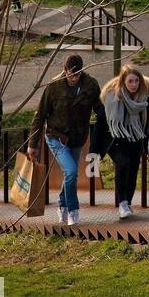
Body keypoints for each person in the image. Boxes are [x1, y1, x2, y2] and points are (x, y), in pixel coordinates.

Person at [27, 55, 102, 226]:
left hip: (77, 137)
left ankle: (62, 205)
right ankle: (73, 210)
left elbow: (100, 109)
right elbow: (40, 115)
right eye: (71, 74)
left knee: (71, 174)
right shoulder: (53, 87)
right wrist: (33, 144)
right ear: (65, 69)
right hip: (56, 136)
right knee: (71, 171)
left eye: (78, 74)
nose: (74, 78)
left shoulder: (91, 85)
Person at [91, 65, 149, 219]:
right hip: (115, 138)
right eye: (130, 81)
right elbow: (100, 123)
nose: (134, 85)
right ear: (123, 81)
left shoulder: (146, 97)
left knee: (133, 169)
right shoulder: (110, 97)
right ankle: (122, 202)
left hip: (137, 138)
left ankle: (127, 201)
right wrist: (94, 150)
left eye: (136, 81)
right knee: (123, 164)